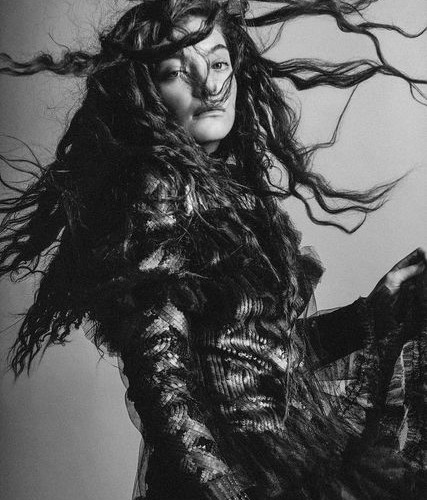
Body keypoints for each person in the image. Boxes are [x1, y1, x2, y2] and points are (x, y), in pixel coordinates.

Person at [0, 1, 426, 499]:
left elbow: (265, 363)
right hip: (224, 482)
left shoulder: (227, 201)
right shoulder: (154, 202)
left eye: (219, 64)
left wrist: (371, 314)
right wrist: (228, 491)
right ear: (144, 95)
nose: (210, 86)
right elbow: (167, 393)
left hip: (276, 465)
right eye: (177, 72)